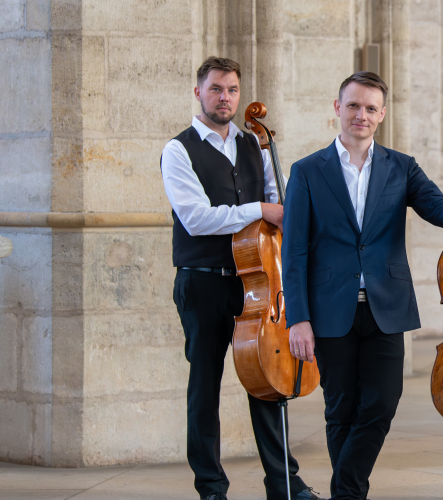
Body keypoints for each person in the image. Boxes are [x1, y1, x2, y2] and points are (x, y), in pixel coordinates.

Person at [281, 71, 443, 500]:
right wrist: (298, 318)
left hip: (386, 305)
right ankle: (351, 495)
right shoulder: (307, 171)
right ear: (337, 108)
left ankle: (344, 490)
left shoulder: (401, 166)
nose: (360, 115)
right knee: (340, 408)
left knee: (382, 401)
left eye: (369, 108)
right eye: (353, 105)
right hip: (328, 310)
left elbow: (437, 206)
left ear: (381, 115)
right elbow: (294, 253)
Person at [161, 56, 323, 500]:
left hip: (258, 282)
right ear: (198, 92)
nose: (225, 97)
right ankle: (211, 487)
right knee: (205, 385)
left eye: (231, 89)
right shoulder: (178, 150)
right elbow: (196, 218)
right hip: (204, 281)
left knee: (267, 383)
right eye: (216, 89)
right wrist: (260, 210)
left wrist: (280, 210)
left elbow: (279, 202)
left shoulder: (256, 144)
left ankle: (284, 483)